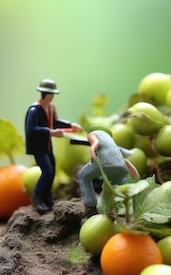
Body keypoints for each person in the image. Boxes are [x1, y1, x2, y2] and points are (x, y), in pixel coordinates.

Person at [25, 79, 82, 214]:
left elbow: (55, 123)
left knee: (52, 170)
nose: (52, 96)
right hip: (38, 147)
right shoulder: (34, 110)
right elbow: (31, 129)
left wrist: (70, 125)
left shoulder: (51, 107)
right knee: (47, 172)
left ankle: (47, 196)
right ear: (44, 94)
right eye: (51, 94)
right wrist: (51, 132)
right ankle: (37, 196)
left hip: (48, 146)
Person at [78, 126, 139, 211]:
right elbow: (124, 159)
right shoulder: (110, 140)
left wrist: (92, 149)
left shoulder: (92, 134)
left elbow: (96, 142)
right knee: (120, 181)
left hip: (104, 162)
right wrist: (133, 171)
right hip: (120, 165)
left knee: (84, 176)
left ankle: (90, 204)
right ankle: (128, 205)